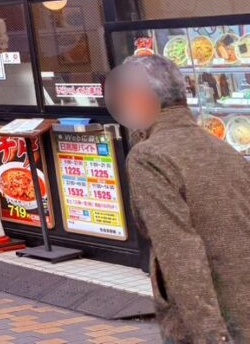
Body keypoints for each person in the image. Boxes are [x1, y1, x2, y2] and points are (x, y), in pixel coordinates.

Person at [106, 54, 250, 344]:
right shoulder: (224, 150)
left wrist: (212, 336)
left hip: (210, 318)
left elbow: (179, 250)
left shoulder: (149, 156)